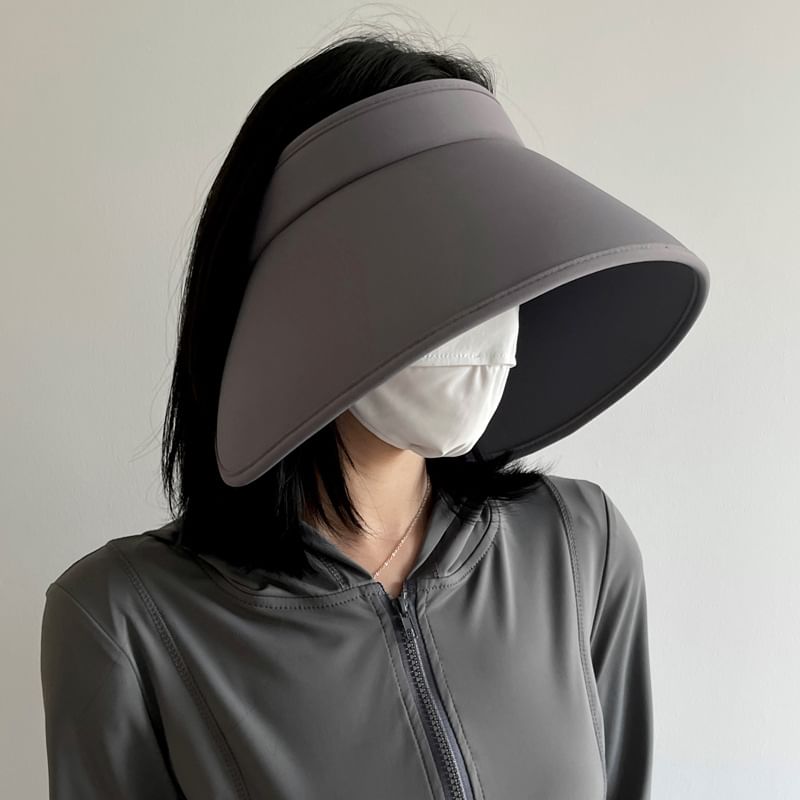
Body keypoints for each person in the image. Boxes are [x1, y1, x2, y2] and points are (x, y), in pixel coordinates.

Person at [40, 31, 693, 800]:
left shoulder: (580, 547)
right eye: (437, 268)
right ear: (295, 295)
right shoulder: (126, 623)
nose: (488, 325)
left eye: (500, 269)